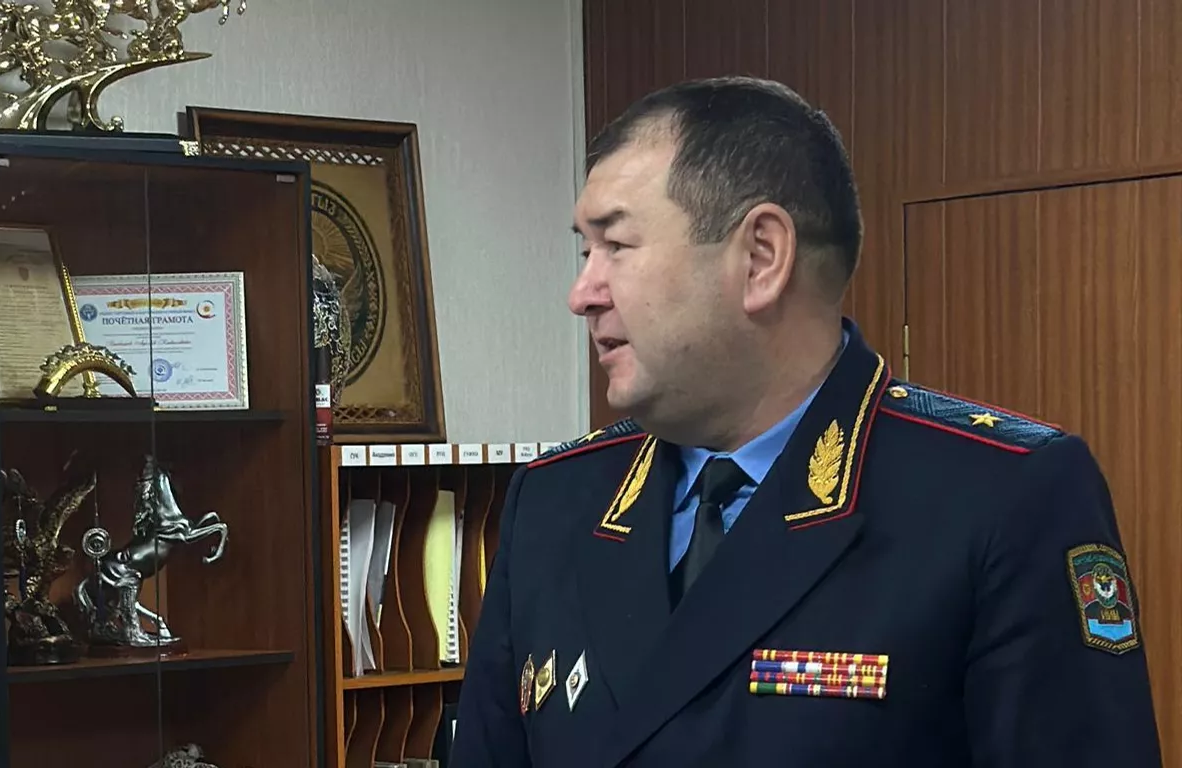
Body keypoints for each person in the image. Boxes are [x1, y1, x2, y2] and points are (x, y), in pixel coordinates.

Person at [452, 76, 1161, 766]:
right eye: (585, 252)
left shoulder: (1000, 496)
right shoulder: (555, 499)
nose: (582, 293)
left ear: (760, 257)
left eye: (616, 246)